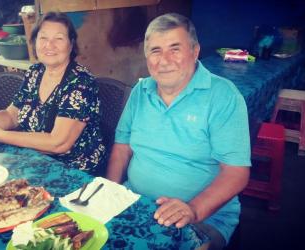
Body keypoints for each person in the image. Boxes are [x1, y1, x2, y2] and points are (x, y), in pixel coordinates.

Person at [106, 13, 251, 249]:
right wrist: (110, 191)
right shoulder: (140, 91)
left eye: (175, 48)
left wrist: (193, 209)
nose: (164, 60)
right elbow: (122, 148)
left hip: (203, 215)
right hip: (136, 201)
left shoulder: (223, 95)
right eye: (155, 50)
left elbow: (236, 172)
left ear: (194, 52)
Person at [0, 12, 106, 174]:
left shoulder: (80, 82)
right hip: (35, 159)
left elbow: (58, 143)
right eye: (43, 38)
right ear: (35, 42)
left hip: (74, 170)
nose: (49, 45)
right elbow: (11, 116)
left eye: (58, 38)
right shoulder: (35, 72)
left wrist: (0, 135)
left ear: (71, 45)